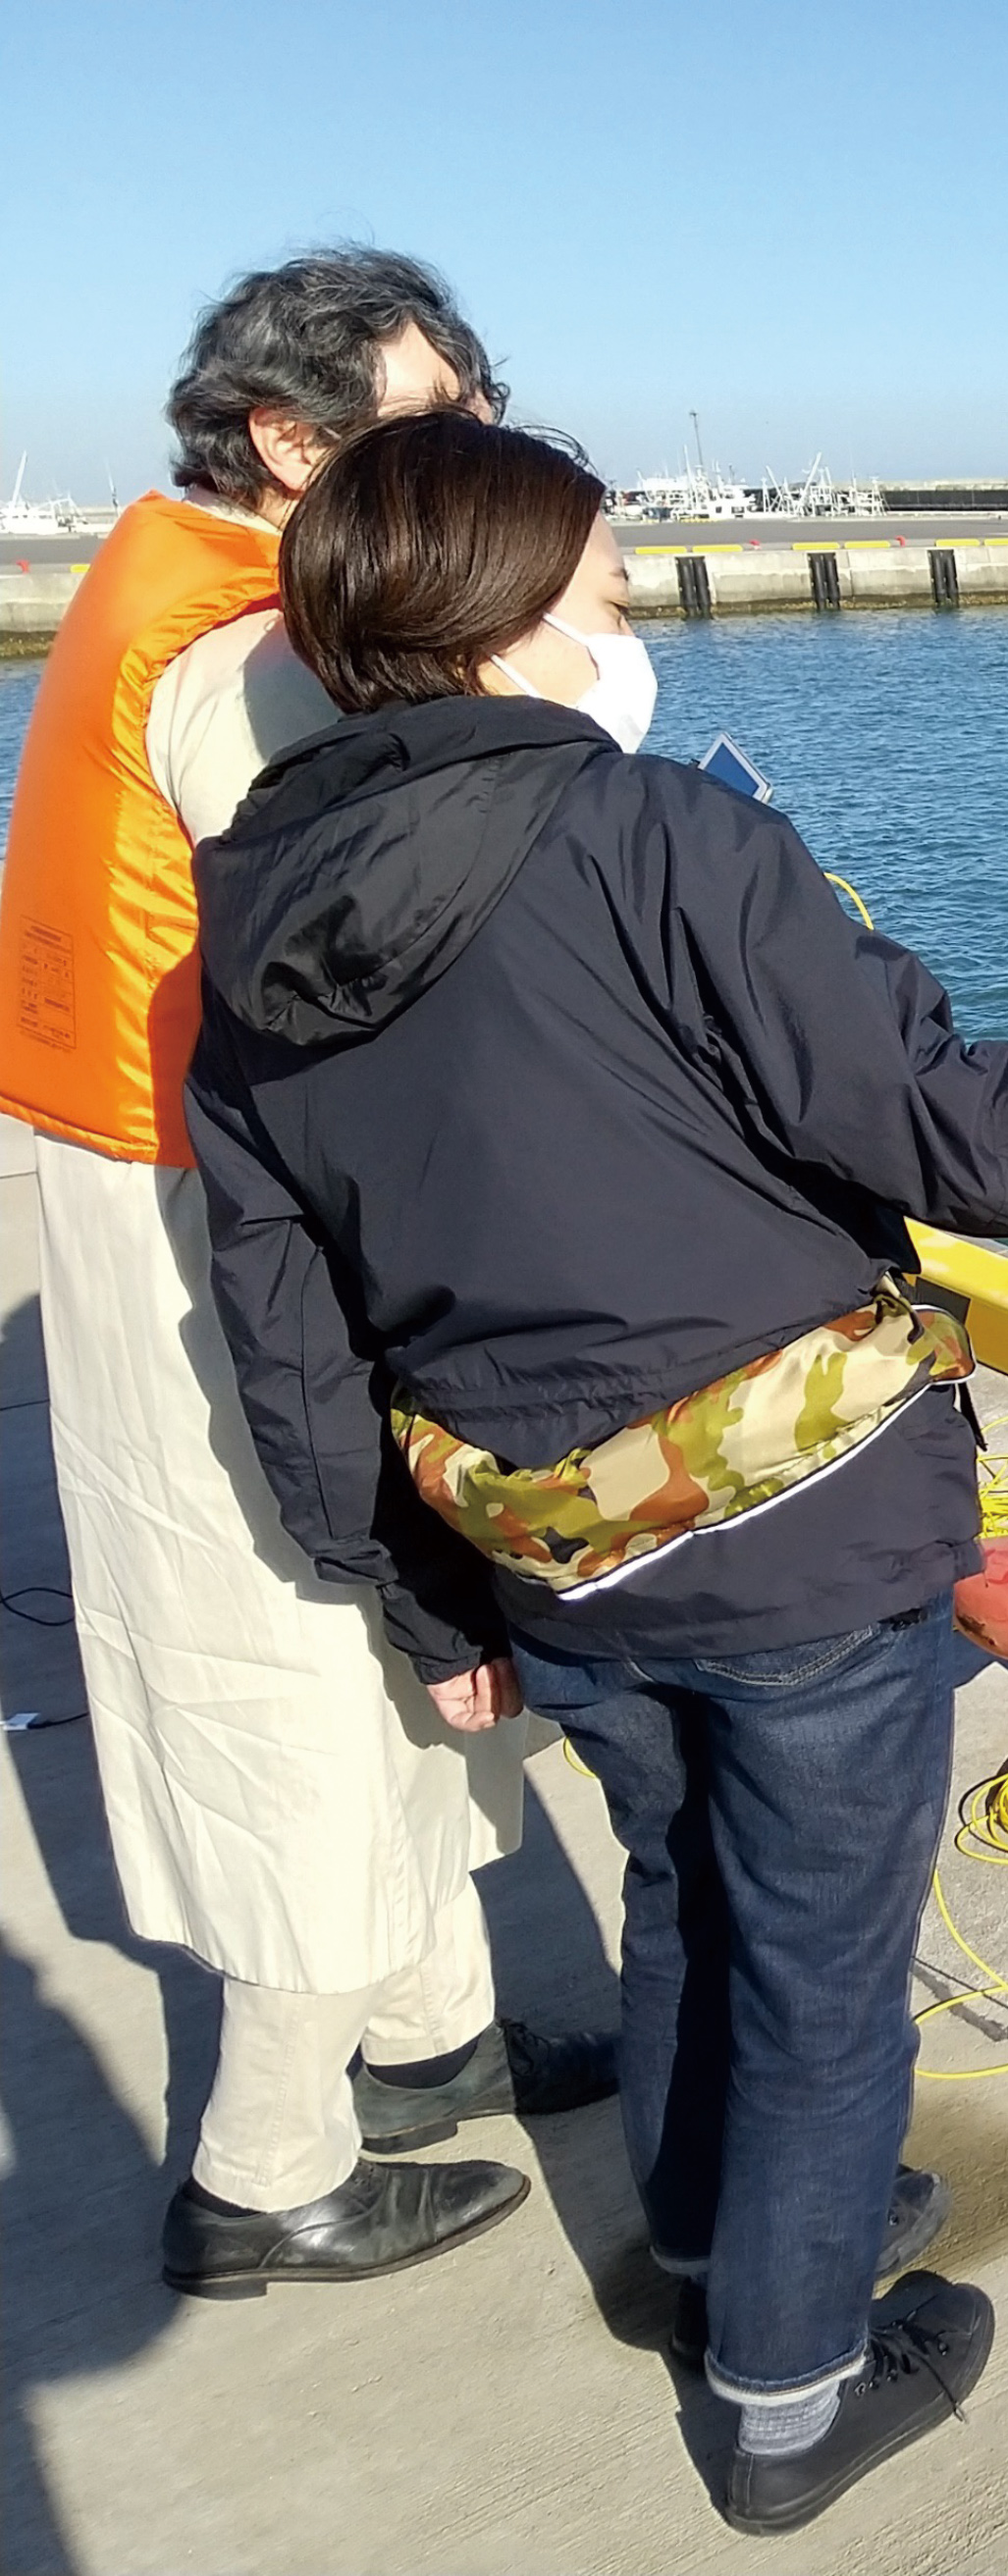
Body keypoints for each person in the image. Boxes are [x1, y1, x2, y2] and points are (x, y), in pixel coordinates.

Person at [186, 409, 1008, 2534]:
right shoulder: (659, 843)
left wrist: (418, 1604)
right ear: (507, 621)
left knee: (684, 1885)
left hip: (550, 1555)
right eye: (609, 591)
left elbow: (283, 1323)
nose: (628, 627)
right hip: (796, 1538)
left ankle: (705, 2245)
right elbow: (966, 1131)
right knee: (816, 1965)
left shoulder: (240, 938)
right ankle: (787, 2389)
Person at [0, 250, 615, 2297]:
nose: (466, 453)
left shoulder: (165, 571)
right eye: (431, 416)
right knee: (286, 1634)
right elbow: (515, 738)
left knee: (374, 1619)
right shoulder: (241, 645)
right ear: (290, 440)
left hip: (177, 1148)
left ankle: (421, 2038)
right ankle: (266, 2168)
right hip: (196, 1187)